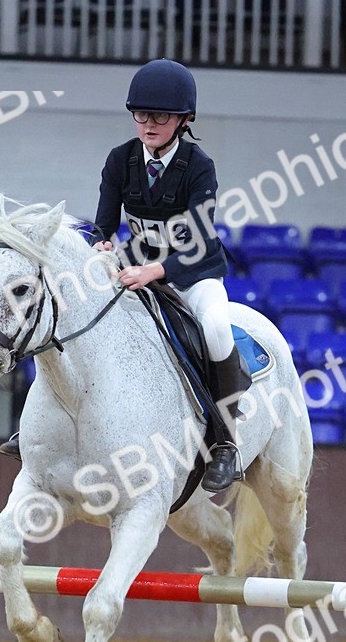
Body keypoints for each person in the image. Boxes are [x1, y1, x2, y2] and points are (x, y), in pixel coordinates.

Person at [90, 58, 242, 493]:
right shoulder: (120, 160)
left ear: (183, 119)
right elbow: (104, 223)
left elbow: (195, 238)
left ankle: (225, 441)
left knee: (214, 327)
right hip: (137, 267)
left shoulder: (199, 166)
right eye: (142, 114)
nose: (149, 124)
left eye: (160, 116)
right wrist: (101, 243)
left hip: (193, 273)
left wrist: (153, 271)